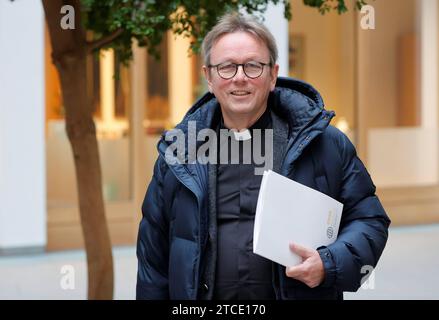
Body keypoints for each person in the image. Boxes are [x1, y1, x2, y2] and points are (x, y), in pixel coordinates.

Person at [136, 12, 390, 300]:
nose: (240, 78)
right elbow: (152, 261)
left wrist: (329, 263)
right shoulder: (180, 153)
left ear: (272, 75)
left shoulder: (325, 145)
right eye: (227, 67)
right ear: (209, 76)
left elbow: (370, 220)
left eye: (253, 66)